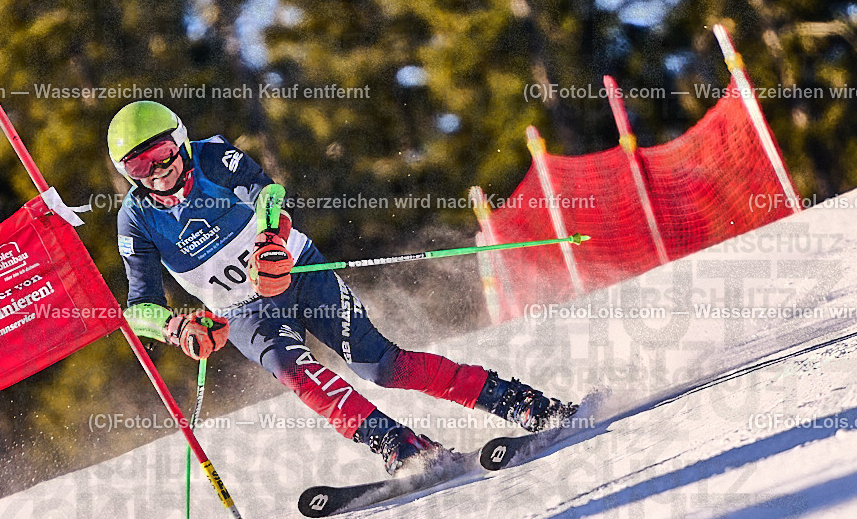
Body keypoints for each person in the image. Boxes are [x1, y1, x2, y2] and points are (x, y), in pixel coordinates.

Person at [108, 101, 572, 475]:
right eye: (138, 164)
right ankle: (400, 444)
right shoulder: (135, 218)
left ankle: (516, 401)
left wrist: (271, 240)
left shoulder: (212, 156)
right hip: (245, 311)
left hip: (297, 272)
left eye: (162, 153)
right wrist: (178, 329)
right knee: (295, 372)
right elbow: (139, 308)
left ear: (181, 141)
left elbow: (267, 193)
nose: (156, 171)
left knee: (382, 366)